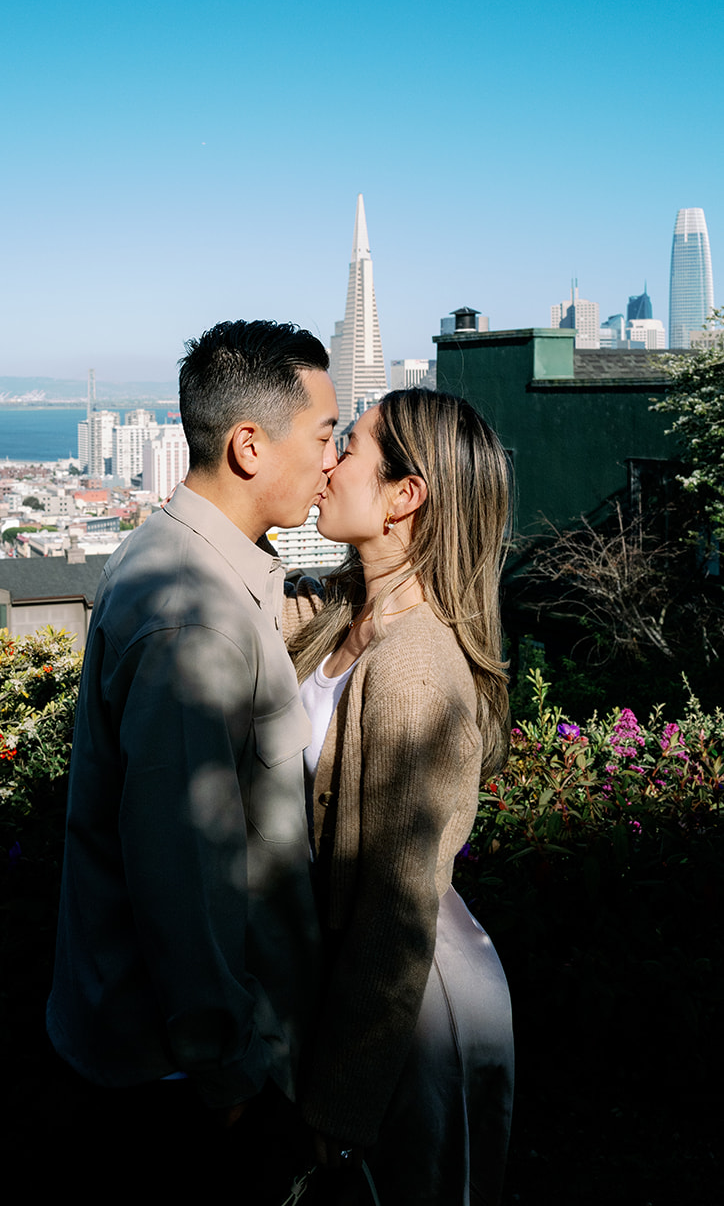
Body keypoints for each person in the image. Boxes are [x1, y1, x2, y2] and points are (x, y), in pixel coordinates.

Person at [47, 319, 339, 1203]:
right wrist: (231, 1076)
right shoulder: (196, 620)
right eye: (326, 434)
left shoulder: (189, 559)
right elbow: (182, 870)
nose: (334, 459)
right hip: (182, 1085)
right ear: (250, 446)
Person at [287, 389, 514, 1205]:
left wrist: (343, 1095)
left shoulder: (416, 669)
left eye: (348, 447)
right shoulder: (343, 610)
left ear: (403, 497)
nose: (327, 463)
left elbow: (397, 905)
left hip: (408, 1011)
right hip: (374, 996)